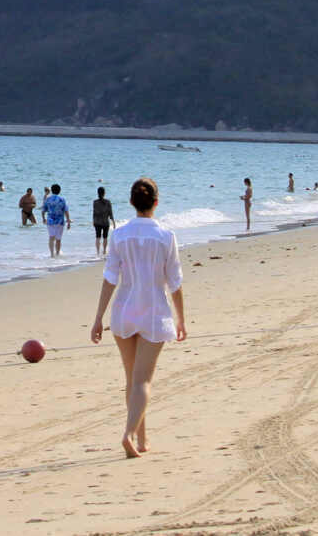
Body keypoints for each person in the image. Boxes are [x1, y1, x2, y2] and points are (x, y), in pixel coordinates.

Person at [90, 178, 186, 458]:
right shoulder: (166, 236)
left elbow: (110, 279)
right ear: (156, 202)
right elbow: (175, 282)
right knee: (142, 381)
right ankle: (130, 434)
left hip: (124, 310)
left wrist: (98, 317)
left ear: (132, 202)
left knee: (132, 380)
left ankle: (141, 439)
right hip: (154, 312)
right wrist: (181, 319)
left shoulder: (119, 235)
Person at [41, 184, 71, 257]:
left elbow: (43, 210)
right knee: (58, 239)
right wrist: (68, 221)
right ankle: (57, 253)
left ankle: (52, 254)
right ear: (59, 191)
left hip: (50, 221)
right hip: (60, 221)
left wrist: (43, 218)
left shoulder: (48, 199)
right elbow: (66, 211)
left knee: (51, 237)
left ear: (52, 190)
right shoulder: (62, 199)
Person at [93, 187, 116, 255]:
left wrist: (93, 221)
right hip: (105, 222)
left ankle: (97, 252)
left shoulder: (95, 202)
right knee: (105, 237)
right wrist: (113, 222)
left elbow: (94, 213)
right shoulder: (108, 202)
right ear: (104, 193)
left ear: (98, 193)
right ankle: (104, 251)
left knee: (98, 237)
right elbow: (110, 213)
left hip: (97, 222)